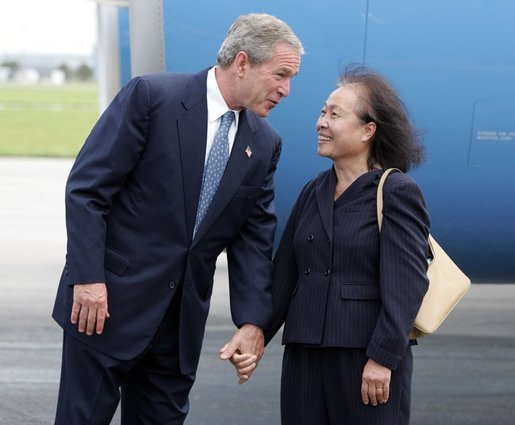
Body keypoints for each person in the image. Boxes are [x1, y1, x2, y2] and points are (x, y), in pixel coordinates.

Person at [52, 13, 303, 425]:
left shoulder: (264, 143)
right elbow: (87, 189)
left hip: (178, 328)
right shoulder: (152, 97)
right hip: (105, 306)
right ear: (242, 62)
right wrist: (88, 278)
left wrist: (254, 321)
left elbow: (255, 239)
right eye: (280, 75)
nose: (286, 90)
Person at [232, 65, 430, 424]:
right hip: (304, 357)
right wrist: (255, 330)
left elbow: (407, 286)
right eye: (323, 112)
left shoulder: (396, 192)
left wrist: (383, 358)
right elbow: (285, 275)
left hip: (365, 359)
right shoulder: (313, 191)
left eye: (334, 115)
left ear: (369, 130)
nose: (321, 122)